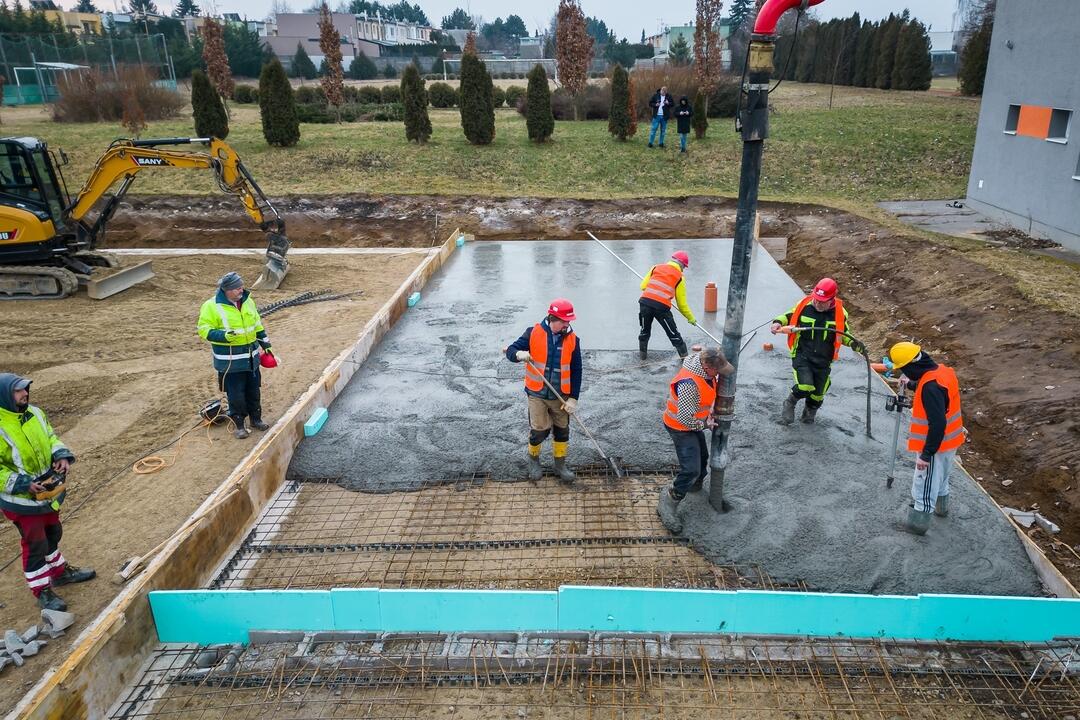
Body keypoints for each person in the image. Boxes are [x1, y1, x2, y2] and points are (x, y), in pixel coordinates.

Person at [1, 373, 96, 611]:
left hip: (46, 492)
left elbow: (51, 437)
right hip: (21, 500)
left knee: (53, 532)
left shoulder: (35, 413)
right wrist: (22, 483)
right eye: (18, 391)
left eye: (25, 389)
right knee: (35, 544)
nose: (25, 393)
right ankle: (42, 590)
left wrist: (60, 455)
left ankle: (59, 572)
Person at [887, 342, 966, 535]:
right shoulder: (942, 371)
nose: (904, 373)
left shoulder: (930, 387)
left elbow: (937, 423)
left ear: (911, 366)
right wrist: (910, 384)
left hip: (936, 445)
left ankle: (918, 525)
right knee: (942, 478)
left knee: (925, 484)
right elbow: (934, 389)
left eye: (904, 370)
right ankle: (941, 509)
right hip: (950, 440)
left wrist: (926, 454)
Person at [505, 299, 582, 484]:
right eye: (564, 321)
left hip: (560, 396)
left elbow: (577, 370)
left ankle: (560, 465)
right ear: (553, 318)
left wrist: (573, 398)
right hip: (537, 394)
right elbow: (511, 350)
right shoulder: (533, 333)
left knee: (562, 431)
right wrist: (518, 354)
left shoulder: (573, 339)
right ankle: (533, 460)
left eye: (568, 321)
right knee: (539, 431)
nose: (567, 324)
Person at [770, 277, 865, 424]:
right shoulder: (804, 306)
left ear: (832, 299)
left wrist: (854, 343)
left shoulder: (840, 313)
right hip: (803, 355)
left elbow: (843, 335)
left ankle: (809, 413)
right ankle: (790, 402)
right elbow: (788, 316)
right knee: (805, 386)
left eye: (822, 301)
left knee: (818, 394)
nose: (818, 303)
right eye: (816, 299)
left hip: (824, 360)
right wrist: (777, 323)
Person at [198, 272, 273, 439]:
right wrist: (223, 336)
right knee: (236, 395)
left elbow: (256, 324)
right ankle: (239, 425)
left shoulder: (248, 301)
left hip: (251, 358)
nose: (241, 290)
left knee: (254, 391)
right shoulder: (211, 306)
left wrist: (266, 345)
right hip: (231, 362)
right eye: (237, 288)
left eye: (241, 286)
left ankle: (256, 419)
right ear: (227, 290)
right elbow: (203, 329)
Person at [661, 348, 735, 503]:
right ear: (708, 367)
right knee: (691, 470)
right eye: (718, 371)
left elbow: (706, 394)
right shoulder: (689, 385)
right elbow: (684, 418)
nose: (719, 374)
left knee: (702, 457)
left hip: (693, 421)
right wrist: (704, 424)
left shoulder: (704, 365)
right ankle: (671, 498)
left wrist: (710, 408)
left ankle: (694, 486)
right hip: (680, 427)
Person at [639, 250, 696, 360]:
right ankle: (685, 360)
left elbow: (643, 286)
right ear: (682, 265)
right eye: (684, 267)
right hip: (661, 308)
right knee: (673, 334)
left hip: (645, 303)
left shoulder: (655, 267)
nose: (683, 269)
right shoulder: (680, 277)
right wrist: (690, 318)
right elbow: (682, 304)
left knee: (644, 331)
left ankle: (642, 358)